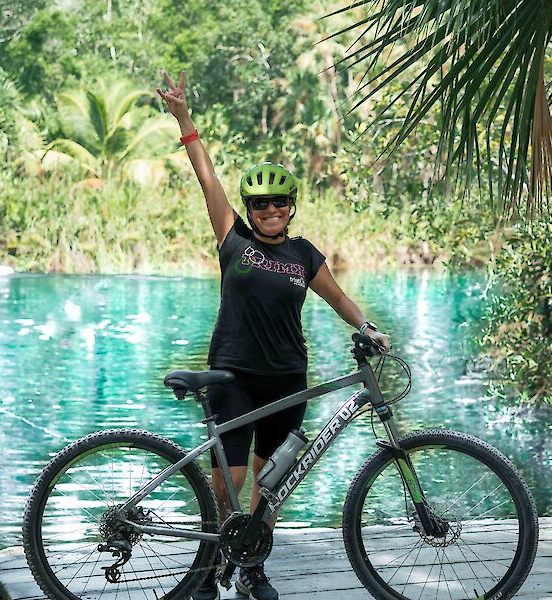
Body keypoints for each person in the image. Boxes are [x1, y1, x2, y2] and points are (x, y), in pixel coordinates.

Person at [157, 70, 392, 600]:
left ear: (291, 206)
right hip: (233, 375)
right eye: (259, 204)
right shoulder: (233, 237)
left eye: (278, 203)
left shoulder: (304, 253)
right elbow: (207, 179)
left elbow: (336, 297)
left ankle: (251, 564)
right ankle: (214, 561)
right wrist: (184, 118)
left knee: (273, 482)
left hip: (287, 379)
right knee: (229, 480)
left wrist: (368, 328)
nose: (268, 211)